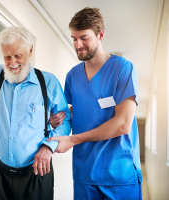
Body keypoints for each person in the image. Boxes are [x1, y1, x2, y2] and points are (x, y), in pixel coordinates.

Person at [48, 7, 142, 200]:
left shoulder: (122, 69)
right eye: (74, 38)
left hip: (119, 174)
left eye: (84, 37)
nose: (78, 44)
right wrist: (57, 118)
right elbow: (80, 109)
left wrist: (72, 140)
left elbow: (123, 124)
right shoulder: (73, 76)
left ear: (101, 35)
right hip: (84, 172)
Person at [0, 26, 71, 200]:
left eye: (18, 55)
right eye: (7, 57)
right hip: (0, 171)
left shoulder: (48, 82)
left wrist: (48, 147)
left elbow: (65, 122)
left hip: (37, 172)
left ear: (30, 50)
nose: (12, 63)